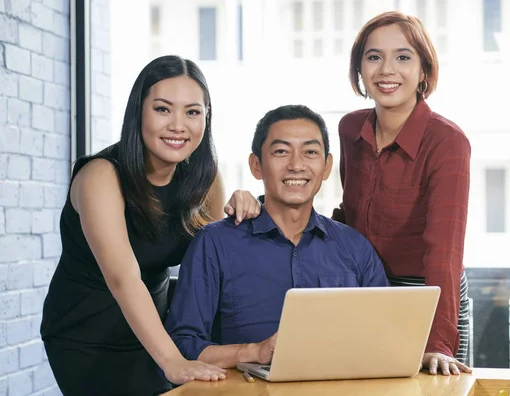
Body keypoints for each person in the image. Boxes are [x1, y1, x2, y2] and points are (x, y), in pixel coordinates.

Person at [40, 55, 261, 396]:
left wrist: (243, 210)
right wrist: (172, 361)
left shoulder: (205, 179)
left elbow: (218, 267)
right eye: (162, 109)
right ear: (138, 112)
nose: (178, 125)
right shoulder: (100, 176)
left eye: (192, 112)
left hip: (159, 331)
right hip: (88, 336)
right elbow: (123, 278)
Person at [165, 105, 389, 368]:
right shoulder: (215, 243)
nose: (296, 165)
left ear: (327, 167)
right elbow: (182, 344)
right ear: (256, 165)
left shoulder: (356, 248)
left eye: (310, 152)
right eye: (281, 152)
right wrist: (252, 352)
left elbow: (386, 340)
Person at [332, 11, 472, 376]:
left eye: (403, 57)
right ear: (359, 69)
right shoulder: (350, 128)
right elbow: (348, 218)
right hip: (364, 291)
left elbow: (444, 249)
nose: (386, 69)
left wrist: (437, 342)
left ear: (424, 71)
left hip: (426, 295)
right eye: (374, 56)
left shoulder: (447, 141)